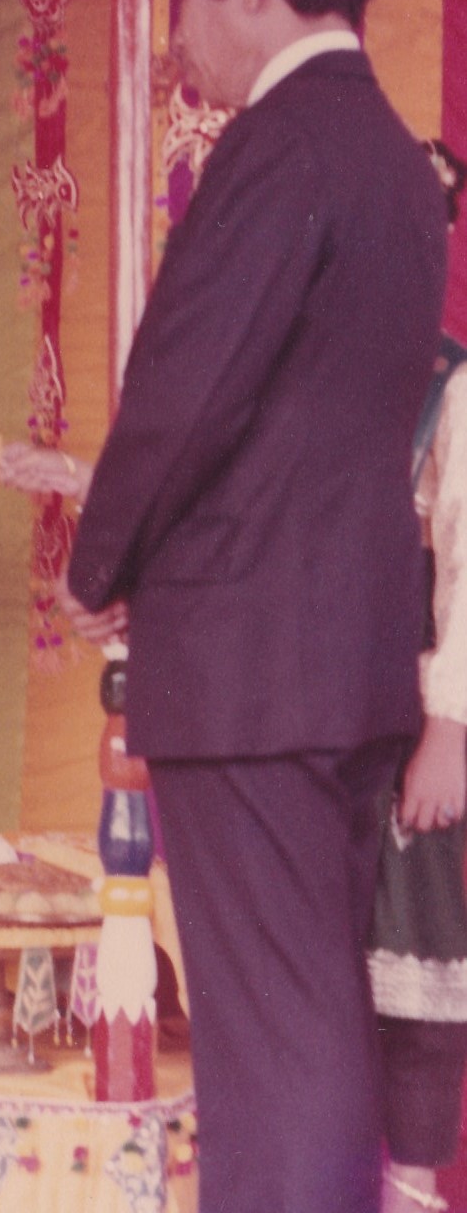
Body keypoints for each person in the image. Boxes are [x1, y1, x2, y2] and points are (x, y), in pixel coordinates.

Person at [57, 0, 448, 1213]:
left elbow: (181, 392)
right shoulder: (396, 157)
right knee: (312, 1018)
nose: (176, 38)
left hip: (245, 668)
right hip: (339, 662)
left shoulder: (278, 148)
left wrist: (90, 566)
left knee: (270, 1043)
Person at [373, 147, 467, 1213]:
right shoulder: (310, 373)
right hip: (322, 723)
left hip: (412, 730)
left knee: (414, 979)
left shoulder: (450, 389)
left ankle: (405, 1189)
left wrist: (447, 729)